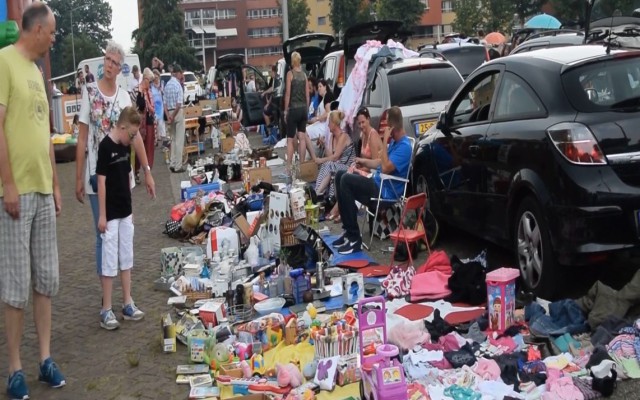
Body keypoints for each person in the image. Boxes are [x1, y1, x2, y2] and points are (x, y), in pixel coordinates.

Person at [0, 3, 66, 398]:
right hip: (17, 192)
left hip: (42, 189)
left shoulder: (39, 73)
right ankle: (14, 368)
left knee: (46, 280)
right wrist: (7, 183)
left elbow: (45, 134)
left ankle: (44, 359)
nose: (54, 39)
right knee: (15, 285)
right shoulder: (4, 62)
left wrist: (55, 184)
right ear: (37, 29)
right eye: (52, 32)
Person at [75, 40, 156, 280]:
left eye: (115, 63)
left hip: (121, 175)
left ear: (121, 68)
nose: (110, 65)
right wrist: (78, 178)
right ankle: (106, 294)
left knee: (123, 233)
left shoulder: (124, 98)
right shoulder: (89, 92)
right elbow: (82, 138)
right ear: (104, 61)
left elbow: (136, 137)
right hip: (97, 175)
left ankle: (126, 291)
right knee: (103, 233)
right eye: (108, 60)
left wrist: (147, 171)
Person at [333, 106, 412, 255]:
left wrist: (385, 141)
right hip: (376, 184)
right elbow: (380, 163)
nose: (385, 128)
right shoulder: (395, 143)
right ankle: (348, 232)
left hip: (385, 193)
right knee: (340, 175)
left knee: (346, 180)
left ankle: (354, 239)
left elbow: (386, 168)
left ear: (392, 127)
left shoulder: (404, 147)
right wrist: (363, 161)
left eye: (387, 125)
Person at [96, 106, 147, 330]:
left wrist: (131, 210)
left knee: (127, 257)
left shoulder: (126, 147)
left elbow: (127, 178)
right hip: (111, 213)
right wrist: (102, 214)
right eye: (132, 134)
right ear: (123, 127)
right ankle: (106, 308)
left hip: (125, 211)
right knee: (109, 260)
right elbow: (101, 182)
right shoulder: (105, 147)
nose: (133, 139)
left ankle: (127, 302)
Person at [326, 107, 381, 222]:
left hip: (373, 174)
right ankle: (342, 209)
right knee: (342, 174)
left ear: (369, 119)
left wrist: (361, 166)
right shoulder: (363, 134)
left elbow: (376, 164)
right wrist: (359, 165)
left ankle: (338, 209)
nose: (361, 125)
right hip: (365, 169)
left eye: (363, 122)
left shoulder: (373, 135)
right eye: (359, 123)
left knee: (347, 176)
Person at [311, 110, 355, 199]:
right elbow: (330, 156)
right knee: (327, 164)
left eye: (329, 123)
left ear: (334, 124)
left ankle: (317, 192)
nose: (328, 125)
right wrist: (324, 145)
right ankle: (318, 193)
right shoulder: (332, 137)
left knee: (329, 164)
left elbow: (335, 157)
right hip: (337, 165)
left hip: (347, 167)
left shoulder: (343, 136)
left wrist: (320, 160)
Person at [284, 51, 309, 170]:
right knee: (302, 137)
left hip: (293, 109)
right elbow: (307, 95)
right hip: (303, 108)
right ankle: (302, 165)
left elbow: (288, 94)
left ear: (292, 61)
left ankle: (289, 167)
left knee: (290, 139)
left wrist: (285, 110)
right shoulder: (304, 75)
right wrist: (307, 109)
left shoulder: (290, 74)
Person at [301, 79, 335, 161]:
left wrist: (317, 118)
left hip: (325, 125)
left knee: (304, 132)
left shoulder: (328, 96)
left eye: (320, 86)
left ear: (325, 87)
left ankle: (311, 156)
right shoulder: (322, 99)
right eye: (318, 87)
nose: (319, 88)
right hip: (320, 123)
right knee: (303, 131)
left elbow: (328, 113)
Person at [134, 68, 157, 184]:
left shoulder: (149, 91)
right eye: (150, 81)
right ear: (145, 79)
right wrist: (142, 93)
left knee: (149, 146)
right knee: (140, 147)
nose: (150, 84)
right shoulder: (138, 90)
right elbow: (139, 106)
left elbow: (152, 107)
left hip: (149, 120)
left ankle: (148, 170)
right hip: (140, 123)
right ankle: (137, 171)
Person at [164, 64, 186, 173]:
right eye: (181, 73)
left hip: (169, 112)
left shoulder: (167, 85)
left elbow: (164, 103)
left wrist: (168, 115)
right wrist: (173, 115)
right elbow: (179, 104)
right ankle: (178, 165)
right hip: (177, 112)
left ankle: (172, 163)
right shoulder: (178, 86)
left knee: (172, 139)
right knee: (179, 140)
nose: (182, 75)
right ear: (178, 73)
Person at [151, 68, 167, 147]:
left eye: (157, 77)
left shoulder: (162, 84)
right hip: (154, 106)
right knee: (155, 124)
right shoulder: (151, 86)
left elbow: (165, 94)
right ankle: (156, 140)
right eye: (154, 78)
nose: (156, 79)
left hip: (161, 106)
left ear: (159, 76)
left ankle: (164, 139)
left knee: (161, 123)